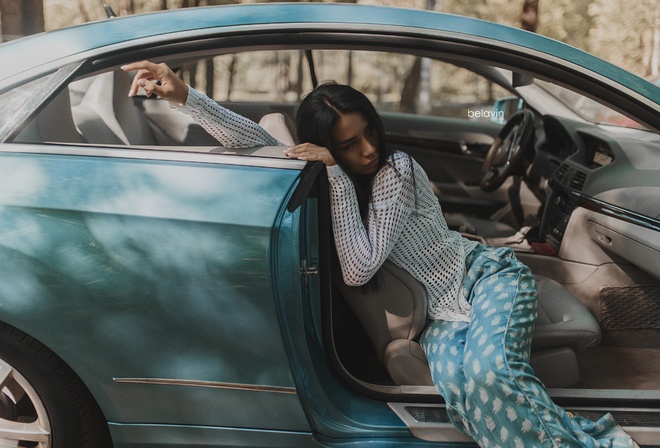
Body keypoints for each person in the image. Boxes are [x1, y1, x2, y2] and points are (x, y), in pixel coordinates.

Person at [122, 61, 639, 448]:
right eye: (349, 145)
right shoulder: (335, 176)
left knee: (491, 376)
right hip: (436, 315)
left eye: (369, 131)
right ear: (325, 146)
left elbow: (359, 265)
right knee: (462, 386)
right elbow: (256, 142)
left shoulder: (397, 169)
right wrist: (186, 97)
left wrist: (336, 173)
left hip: (485, 278)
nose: (368, 149)